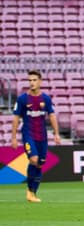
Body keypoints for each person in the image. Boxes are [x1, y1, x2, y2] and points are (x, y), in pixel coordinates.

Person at [11, 70, 61, 203]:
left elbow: (51, 116)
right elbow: (16, 118)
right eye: (30, 80)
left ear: (40, 81)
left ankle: (33, 193)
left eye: (34, 80)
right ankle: (29, 191)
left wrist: (56, 134)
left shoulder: (46, 99)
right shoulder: (22, 99)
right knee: (34, 159)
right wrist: (14, 137)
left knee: (39, 164)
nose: (31, 83)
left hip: (42, 136)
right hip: (28, 134)